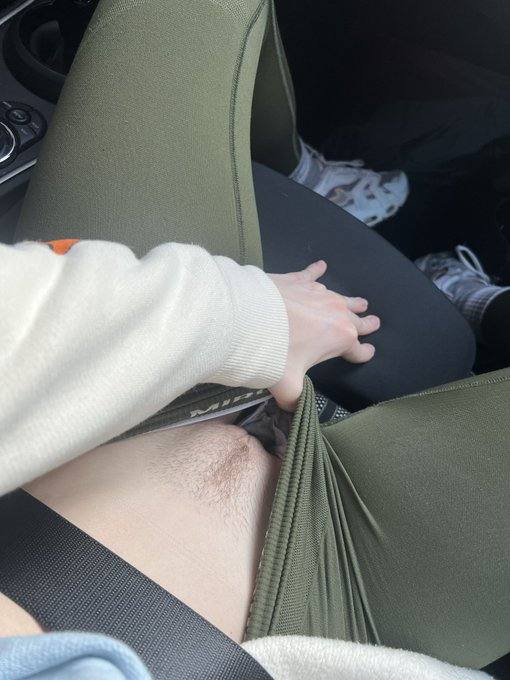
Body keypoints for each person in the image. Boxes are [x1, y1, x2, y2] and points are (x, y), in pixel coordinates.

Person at [0, 0, 508, 677]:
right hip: (342, 607)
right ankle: (485, 311)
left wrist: (251, 318)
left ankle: (296, 172)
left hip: (64, 392)